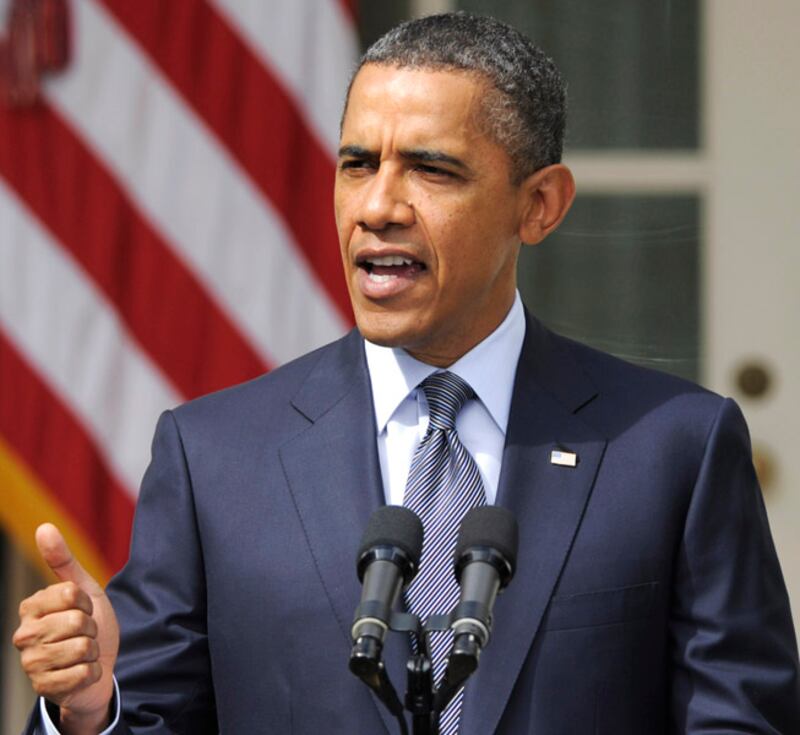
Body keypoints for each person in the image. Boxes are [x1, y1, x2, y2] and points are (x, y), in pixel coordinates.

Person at [13, 12, 800, 734]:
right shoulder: (213, 457)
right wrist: (89, 713)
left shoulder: (673, 449)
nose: (377, 205)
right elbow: (153, 714)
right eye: (357, 164)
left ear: (540, 205)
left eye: (431, 170)